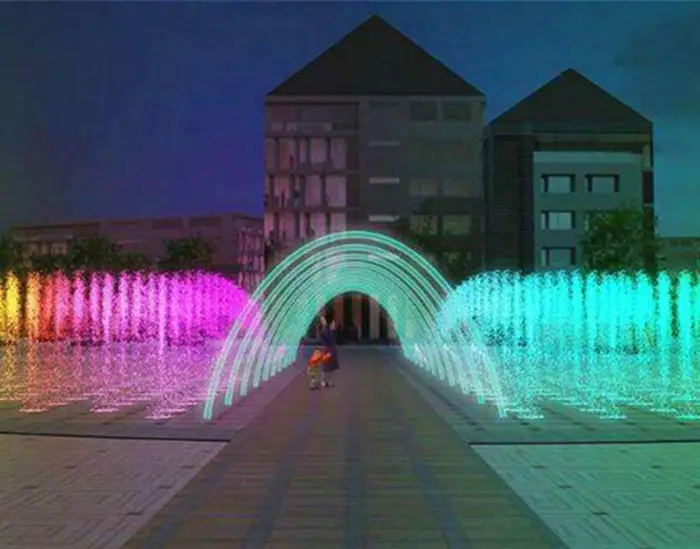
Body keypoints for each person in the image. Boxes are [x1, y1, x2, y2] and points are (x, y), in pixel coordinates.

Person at [319, 317, 339, 387]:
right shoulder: (325, 331)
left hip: (332, 351)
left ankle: (328, 381)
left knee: (332, 368)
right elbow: (323, 336)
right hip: (327, 350)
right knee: (325, 367)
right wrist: (324, 325)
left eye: (334, 324)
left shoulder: (333, 332)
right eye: (332, 324)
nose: (333, 325)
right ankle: (322, 381)